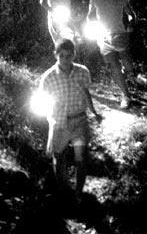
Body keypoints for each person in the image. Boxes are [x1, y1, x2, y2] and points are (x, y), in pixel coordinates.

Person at [39, 39, 103, 202]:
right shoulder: (48, 77)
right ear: (56, 55)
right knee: (59, 157)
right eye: (62, 56)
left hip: (79, 120)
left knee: (80, 158)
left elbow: (86, 93)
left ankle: (78, 193)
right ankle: (63, 191)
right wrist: (50, 118)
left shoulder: (82, 72)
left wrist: (94, 112)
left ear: (74, 55)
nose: (66, 59)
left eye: (69, 56)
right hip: (59, 122)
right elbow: (42, 101)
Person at [86, 0, 139, 109]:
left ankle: (131, 75)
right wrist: (92, 27)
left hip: (120, 35)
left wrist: (131, 23)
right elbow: (90, 17)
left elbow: (131, 14)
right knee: (114, 66)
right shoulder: (95, 0)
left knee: (127, 64)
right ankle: (126, 95)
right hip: (103, 38)